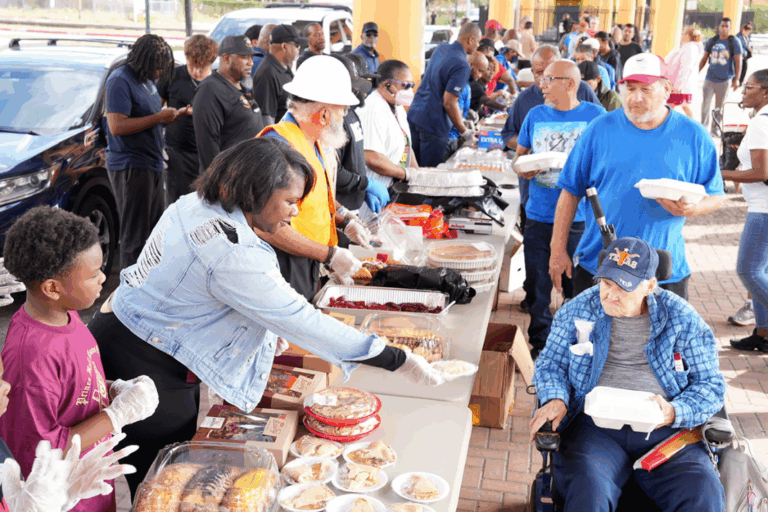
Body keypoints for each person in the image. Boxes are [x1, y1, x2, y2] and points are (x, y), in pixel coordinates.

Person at [88, 138, 447, 495]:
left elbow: (199, 293)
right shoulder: (230, 250)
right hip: (145, 358)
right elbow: (302, 320)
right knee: (161, 485)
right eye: (290, 201)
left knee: (171, 468)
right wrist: (396, 358)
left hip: (131, 331)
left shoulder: (197, 203)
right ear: (256, 191)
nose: (295, 212)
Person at [530, 236, 726, 512]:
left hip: (665, 431)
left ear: (650, 286)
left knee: (703, 490)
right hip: (595, 428)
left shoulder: (682, 318)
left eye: (624, 287)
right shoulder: (579, 308)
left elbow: (710, 385)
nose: (610, 295)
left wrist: (675, 411)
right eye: (607, 283)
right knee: (589, 490)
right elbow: (551, 363)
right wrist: (555, 398)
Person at [0, 206, 159, 510]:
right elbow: (42, 451)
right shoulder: (30, 358)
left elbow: (71, 385)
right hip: (66, 499)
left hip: (93, 480)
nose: (103, 278)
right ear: (52, 288)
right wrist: (116, 416)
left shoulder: (66, 314)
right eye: (93, 274)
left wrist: (114, 390)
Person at [549, 54, 725, 301]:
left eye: (646, 89)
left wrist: (692, 209)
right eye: (630, 89)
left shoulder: (694, 135)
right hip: (600, 265)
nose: (636, 97)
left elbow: (716, 195)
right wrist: (557, 250)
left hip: (662, 272)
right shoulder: (599, 129)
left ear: (667, 90)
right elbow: (570, 192)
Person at [512, 60, 605, 360]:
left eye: (548, 79)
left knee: (575, 286)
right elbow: (519, 158)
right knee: (538, 287)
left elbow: (606, 164)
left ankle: (574, 345)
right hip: (538, 213)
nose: (541, 84)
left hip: (580, 219)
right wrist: (523, 169)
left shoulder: (596, 117)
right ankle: (540, 344)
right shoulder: (535, 115)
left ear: (570, 83)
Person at [258, 55, 370, 299]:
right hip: (284, 264)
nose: (344, 117)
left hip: (307, 259)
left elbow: (314, 200)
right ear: (324, 115)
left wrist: (344, 221)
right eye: (343, 111)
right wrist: (330, 256)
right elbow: (267, 227)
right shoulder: (280, 146)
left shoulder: (311, 140)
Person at [105, 34, 189, 270]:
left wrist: (175, 115)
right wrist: (158, 118)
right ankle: (130, 287)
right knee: (135, 236)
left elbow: (148, 119)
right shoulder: (120, 80)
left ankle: (150, 283)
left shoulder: (147, 80)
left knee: (154, 232)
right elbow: (117, 126)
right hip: (131, 165)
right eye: (158, 67)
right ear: (143, 61)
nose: (160, 72)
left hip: (152, 163)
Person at [721, 70, 768, 352]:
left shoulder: (762, 122)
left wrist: (721, 174)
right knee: (761, 270)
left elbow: (762, 172)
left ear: (765, 91)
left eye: (749, 87)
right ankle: (763, 334)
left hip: (764, 209)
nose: (743, 91)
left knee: (748, 270)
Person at [407, 22, 481, 166]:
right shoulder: (462, 64)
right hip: (434, 124)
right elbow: (449, 102)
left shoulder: (441, 49)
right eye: (478, 42)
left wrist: (460, 119)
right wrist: (464, 131)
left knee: (412, 169)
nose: (478, 46)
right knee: (430, 173)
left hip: (415, 115)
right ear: (471, 40)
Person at [356, 59, 421, 221]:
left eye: (411, 85)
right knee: (370, 229)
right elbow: (372, 157)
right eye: (405, 85)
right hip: (373, 192)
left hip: (392, 189)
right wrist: (406, 174)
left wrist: (418, 175)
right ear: (387, 84)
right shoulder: (373, 109)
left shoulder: (397, 107)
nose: (409, 90)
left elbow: (406, 144)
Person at [159, 34, 218, 208]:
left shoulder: (218, 83)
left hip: (209, 155)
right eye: (192, 66)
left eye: (202, 68)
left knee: (206, 205)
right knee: (177, 205)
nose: (197, 72)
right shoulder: (172, 76)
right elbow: (155, 112)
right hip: (177, 153)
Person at [193, 35, 264, 174]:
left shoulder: (242, 85)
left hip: (251, 175)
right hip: (229, 179)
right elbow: (208, 145)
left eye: (251, 57)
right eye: (245, 57)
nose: (251, 63)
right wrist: (217, 181)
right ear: (226, 58)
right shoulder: (210, 89)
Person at [330, 54, 390, 221]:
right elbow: (333, 171)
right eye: (356, 86)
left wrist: (362, 191)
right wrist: (365, 183)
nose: (362, 91)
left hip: (353, 205)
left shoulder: (351, 113)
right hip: (338, 209)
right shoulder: (333, 120)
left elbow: (354, 159)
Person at [253, 24, 304, 126]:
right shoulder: (267, 73)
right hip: (279, 134)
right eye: (297, 45)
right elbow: (267, 119)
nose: (299, 48)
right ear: (284, 46)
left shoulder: (284, 68)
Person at [699, 18, 743, 136]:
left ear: (730, 28)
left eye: (726, 26)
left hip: (725, 80)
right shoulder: (712, 40)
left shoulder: (734, 42)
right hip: (709, 78)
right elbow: (704, 58)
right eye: (722, 26)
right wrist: (695, 72)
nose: (724, 28)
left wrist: (737, 79)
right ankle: (703, 128)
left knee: (719, 107)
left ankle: (715, 129)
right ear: (719, 27)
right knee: (705, 105)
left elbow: (738, 61)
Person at [665, 26, 702, 119]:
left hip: (681, 86)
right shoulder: (687, 48)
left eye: (683, 33)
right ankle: (693, 125)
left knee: (669, 109)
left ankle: (665, 125)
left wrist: (678, 87)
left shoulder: (690, 49)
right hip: (680, 86)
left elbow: (685, 68)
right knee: (684, 107)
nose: (681, 35)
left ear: (688, 36)